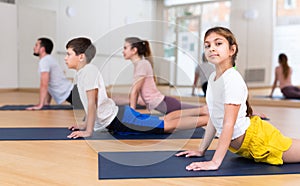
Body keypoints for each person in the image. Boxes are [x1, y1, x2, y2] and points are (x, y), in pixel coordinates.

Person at [176, 27, 300, 171]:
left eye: (218, 43)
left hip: (260, 140)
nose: (211, 48)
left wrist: (215, 162)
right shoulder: (213, 78)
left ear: (232, 50)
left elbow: (229, 124)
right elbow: (214, 118)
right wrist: (201, 150)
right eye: (207, 45)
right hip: (247, 147)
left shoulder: (232, 79)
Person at [64, 37, 209, 139]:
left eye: (68, 54)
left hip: (119, 119)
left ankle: (208, 120)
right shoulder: (83, 73)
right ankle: (206, 116)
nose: (65, 58)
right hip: (118, 117)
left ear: (81, 56)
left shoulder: (89, 71)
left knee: (168, 125)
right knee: (163, 120)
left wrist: (88, 131)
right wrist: (84, 124)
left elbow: (92, 103)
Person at [123, 37, 198, 114]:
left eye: (125, 48)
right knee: (198, 110)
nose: (123, 51)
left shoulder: (142, 64)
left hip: (163, 104)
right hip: (162, 104)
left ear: (134, 50)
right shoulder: (141, 64)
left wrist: (132, 113)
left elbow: (135, 91)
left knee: (199, 110)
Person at [26, 37, 74, 110]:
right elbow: (48, 85)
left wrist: (40, 105)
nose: (34, 47)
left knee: (93, 107)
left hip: (72, 93)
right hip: (71, 93)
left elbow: (44, 84)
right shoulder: (48, 59)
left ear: (42, 49)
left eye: (36, 45)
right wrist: (46, 103)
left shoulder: (44, 61)